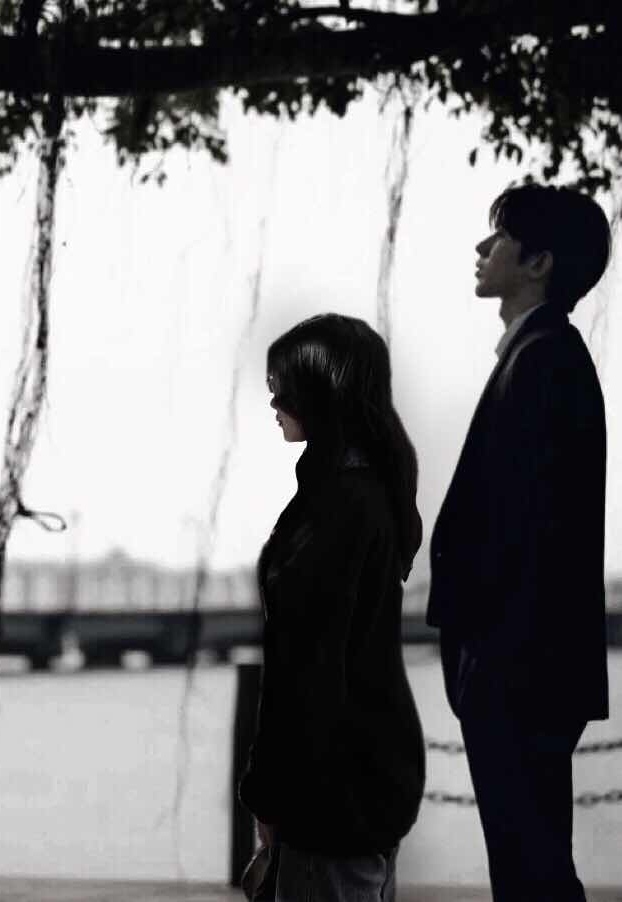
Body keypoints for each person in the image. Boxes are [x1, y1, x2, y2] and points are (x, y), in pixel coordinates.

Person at [426, 183, 611, 902]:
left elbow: (524, 530)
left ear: (538, 262)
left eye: (498, 236)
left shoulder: (542, 361)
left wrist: (481, 655)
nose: (482, 248)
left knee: (530, 870)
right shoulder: (542, 355)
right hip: (525, 666)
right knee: (531, 864)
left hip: (518, 668)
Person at [238, 313, 426, 902]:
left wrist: (270, 798)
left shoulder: (338, 509)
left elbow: (310, 665)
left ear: (324, 390)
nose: (273, 399)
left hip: (332, 790)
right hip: (365, 772)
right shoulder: (365, 492)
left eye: (284, 385)